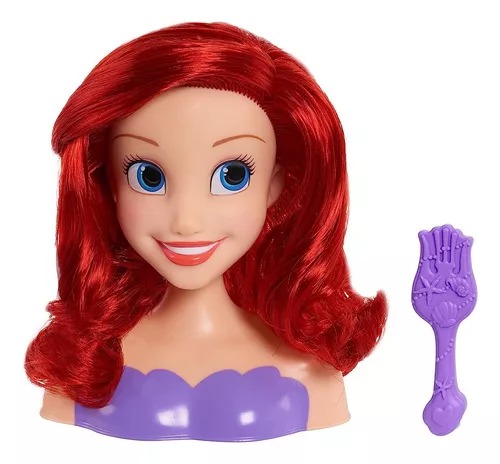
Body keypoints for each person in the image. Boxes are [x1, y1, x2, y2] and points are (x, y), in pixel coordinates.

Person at [25, 21, 387, 441]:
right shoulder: (80, 366)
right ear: (109, 185)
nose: (187, 221)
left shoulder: (310, 371)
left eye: (233, 175)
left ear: (275, 184)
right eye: (148, 176)